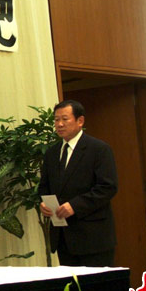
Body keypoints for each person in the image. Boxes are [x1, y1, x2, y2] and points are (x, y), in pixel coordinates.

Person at [38, 99, 118, 266]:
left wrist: (74, 206)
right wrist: (44, 204)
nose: (59, 124)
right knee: (71, 282)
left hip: (93, 237)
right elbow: (44, 187)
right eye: (56, 120)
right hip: (63, 237)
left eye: (64, 119)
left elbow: (107, 187)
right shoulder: (52, 153)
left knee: (96, 283)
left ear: (80, 121)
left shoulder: (98, 149)